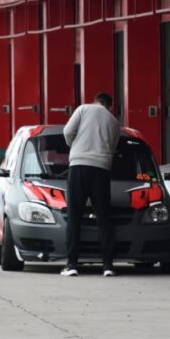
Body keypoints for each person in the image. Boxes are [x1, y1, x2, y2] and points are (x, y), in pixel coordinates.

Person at [61, 92, 121, 277]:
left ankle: (72, 264)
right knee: (103, 216)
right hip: (101, 169)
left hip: (79, 166)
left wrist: (76, 146)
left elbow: (67, 132)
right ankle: (107, 265)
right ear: (109, 106)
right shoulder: (113, 121)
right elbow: (113, 146)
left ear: (96, 101)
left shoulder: (83, 109)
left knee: (75, 215)